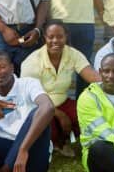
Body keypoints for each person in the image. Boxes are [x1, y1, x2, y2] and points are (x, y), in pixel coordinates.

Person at [21, 21, 100, 155]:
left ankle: (66, 140)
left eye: (60, 36)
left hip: (63, 101)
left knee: (87, 114)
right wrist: (59, 114)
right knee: (47, 126)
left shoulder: (72, 54)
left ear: (66, 37)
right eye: (51, 37)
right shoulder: (33, 61)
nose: (55, 41)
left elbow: (92, 76)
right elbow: (28, 97)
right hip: (38, 107)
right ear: (45, 38)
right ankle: (55, 143)